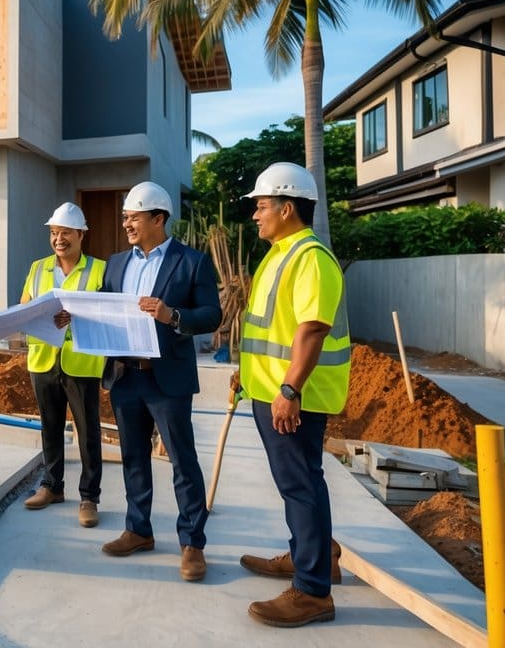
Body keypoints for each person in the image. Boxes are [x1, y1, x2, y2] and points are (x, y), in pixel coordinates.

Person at [238, 162, 350, 627]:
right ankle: (316, 555)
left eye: (261, 206)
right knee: (300, 482)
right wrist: (246, 376)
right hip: (271, 390)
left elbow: (312, 329)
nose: (255, 215)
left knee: (299, 485)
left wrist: (289, 389)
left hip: (294, 397)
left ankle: (312, 591)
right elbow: (272, 328)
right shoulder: (283, 253)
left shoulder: (310, 257)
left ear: (287, 208)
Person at [99, 181, 221, 583]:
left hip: (167, 378)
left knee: (182, 460)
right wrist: (74, 318)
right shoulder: (116, 263)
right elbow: (104, 305)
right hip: (125, 376)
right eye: (125, 216)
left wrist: (173, 316)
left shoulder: (193, 262)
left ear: (159, 218)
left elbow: (211, 315)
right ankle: (138, 530)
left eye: (134, 216)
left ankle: (192, 543)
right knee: (133, 458)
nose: (126, 223)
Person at [19, 201, 107, 527]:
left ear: (81, 234)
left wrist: (76, 317)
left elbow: (105, 314)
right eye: (54, 233)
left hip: (82, 363)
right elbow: (24, 308)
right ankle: (52, 486)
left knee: (88, 433)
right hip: (43, 360)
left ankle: (89, 497)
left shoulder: (99, 270)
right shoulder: (37, 268)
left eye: (65, 232)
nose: (58, 239)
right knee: (50, 428)